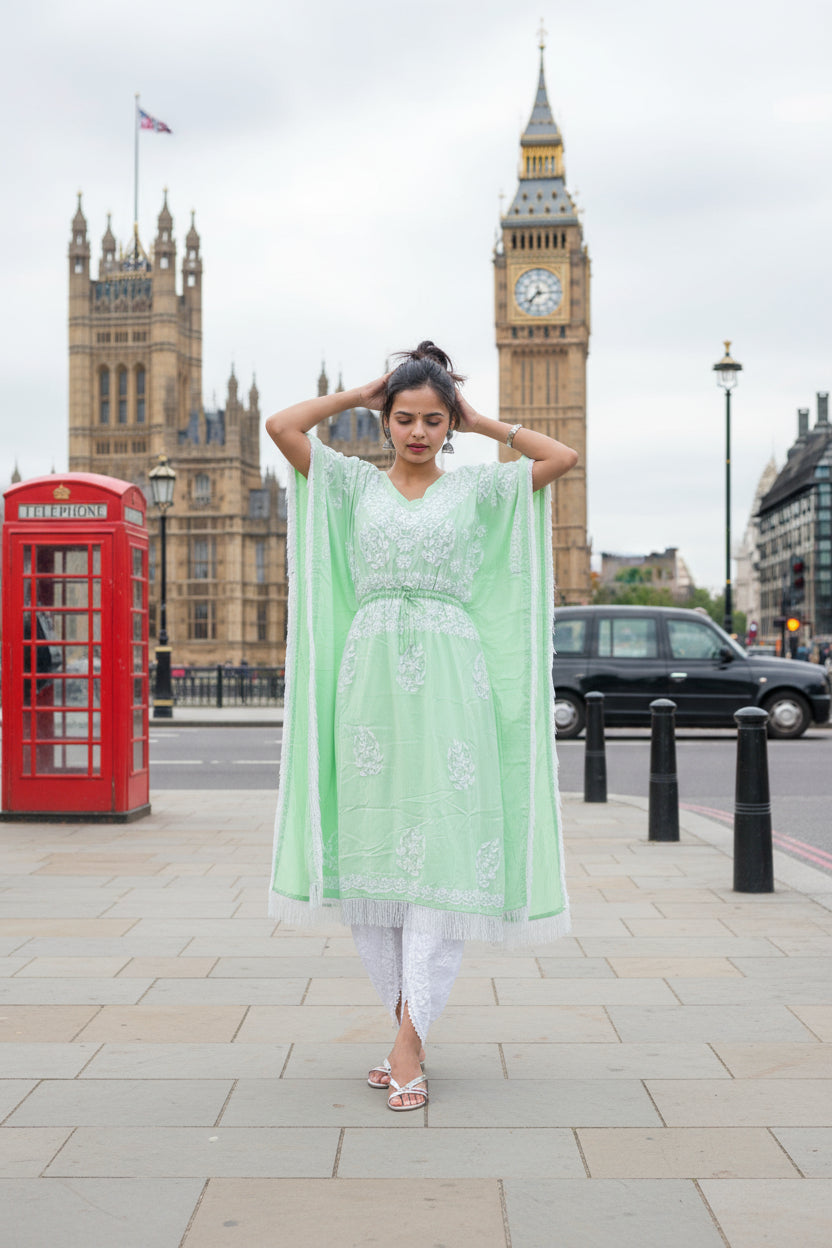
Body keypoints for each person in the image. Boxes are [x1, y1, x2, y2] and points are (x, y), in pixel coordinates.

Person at [266, 341, 577, 1111]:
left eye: (432, 421)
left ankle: (407, 1044)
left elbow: (560, 455)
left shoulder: (476, 489)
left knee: (439, 848)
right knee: (374, 857)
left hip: (451, 681)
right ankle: (409, 1024)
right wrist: (358, 392)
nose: (416, 432)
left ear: (447, 426)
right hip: (369, 683)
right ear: (385, 420)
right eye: (404, 418)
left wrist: (481, 421)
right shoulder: (347, 486)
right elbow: (281, 425)